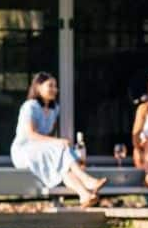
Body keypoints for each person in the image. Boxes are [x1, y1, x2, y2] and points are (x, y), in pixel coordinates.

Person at [11, 72, 107, 207]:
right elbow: (31, 135)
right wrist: (57, 142)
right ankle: (86, 179)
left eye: (55, 86)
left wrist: (58, 144)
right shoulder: (30, 106)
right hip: (25, 151)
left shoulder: (54, 109)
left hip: (43, 151)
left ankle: (84, 194)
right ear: (38, 87)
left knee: (64, 169)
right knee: (61, 146)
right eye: (50, 86)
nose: (54, 90)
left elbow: (49, 136)